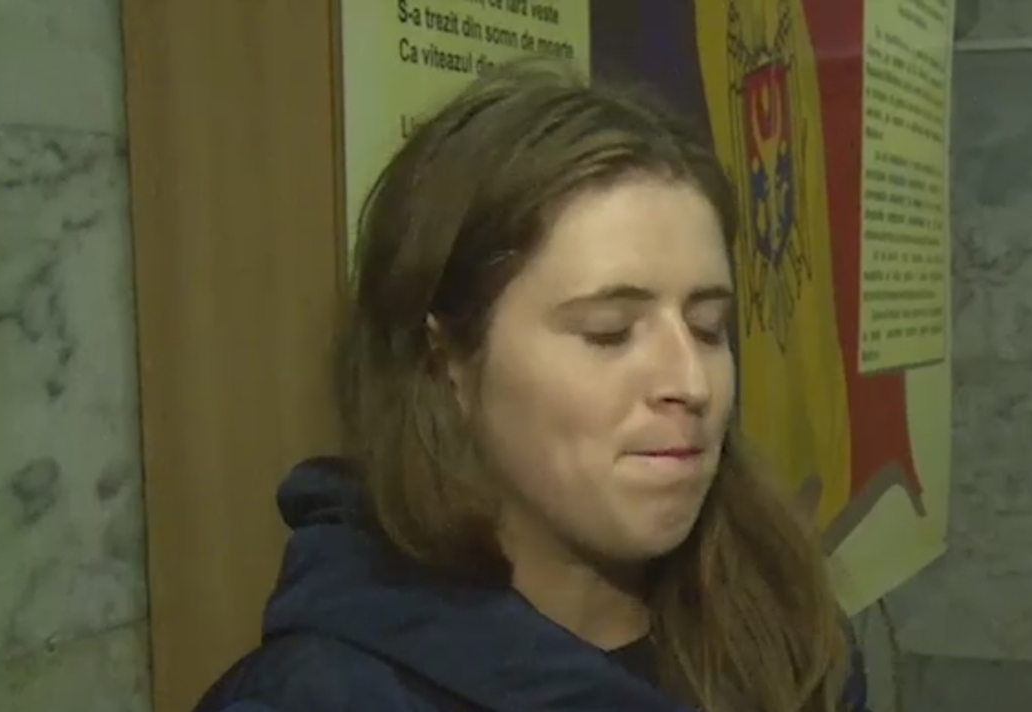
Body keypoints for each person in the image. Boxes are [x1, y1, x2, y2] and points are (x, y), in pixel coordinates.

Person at [193, 58, 871, 712]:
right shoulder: (317, 696)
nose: (691, 383)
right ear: (445, 363)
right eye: (609, 332)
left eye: (709, 328)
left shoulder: (791, 637)